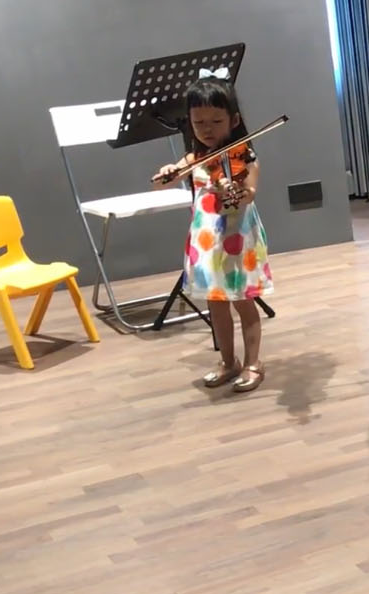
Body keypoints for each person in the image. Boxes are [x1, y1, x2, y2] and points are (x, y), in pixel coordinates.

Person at [153, 72, 272, 392]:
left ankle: (253, 362)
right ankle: (228, 361)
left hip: (237, 241)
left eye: (216, 121)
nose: (207, 129)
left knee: (243, 303)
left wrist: (231, 191)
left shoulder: (245, 156)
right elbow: (177, 173)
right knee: (215, 305)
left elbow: (248, 193)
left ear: (233, 120)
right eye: (199, 122)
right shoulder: (197, 158)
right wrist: (170, 171)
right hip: (206, 241)